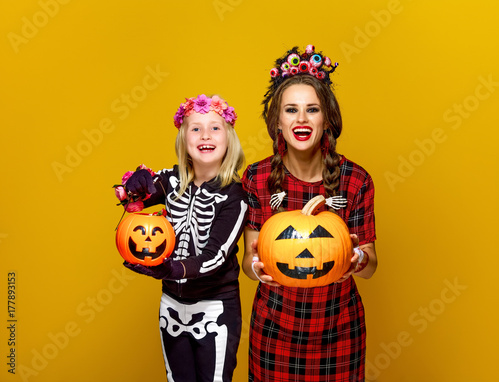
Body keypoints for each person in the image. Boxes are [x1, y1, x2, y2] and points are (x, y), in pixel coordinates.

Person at [241, 45, 378, 381]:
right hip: (274, 330)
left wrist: (357, 257)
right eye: (291, 109)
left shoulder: (356, 179)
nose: (301, 119)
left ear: (327, 119)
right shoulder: (256, 178)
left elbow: (372, 265)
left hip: (339, 331)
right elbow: (248, 260)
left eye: (312, 109)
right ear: (277, 121)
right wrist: (257, 269)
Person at [115, 94, 248, 381]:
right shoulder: (173, 180)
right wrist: (132, 185)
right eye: (195, 128)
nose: (205, 135)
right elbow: (130, 197)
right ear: (183, 139)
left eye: (215, 128)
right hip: (171, 305)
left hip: (215, 308)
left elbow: (215, 256)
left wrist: (169, 269)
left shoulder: (234, 196)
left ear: (229, 139)